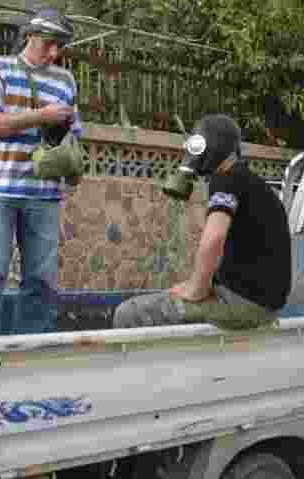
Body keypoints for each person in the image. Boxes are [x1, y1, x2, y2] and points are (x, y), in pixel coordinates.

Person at [113, 114, 291, 330]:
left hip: (242, 306)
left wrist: (196, 288)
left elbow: (214, 237)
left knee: (128, 314)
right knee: (171, 297)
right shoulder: (252, 183)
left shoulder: (225, 179)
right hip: (260, 304)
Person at [0, 8, 82, 337]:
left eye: (60, 46)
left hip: (43, 193)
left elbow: (75, 133)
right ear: (30, 35)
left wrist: (66, 133)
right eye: (48, 43)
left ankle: (32, 351)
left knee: (42, 279)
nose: (54, 52)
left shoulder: (65, 80)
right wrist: (42, 115)